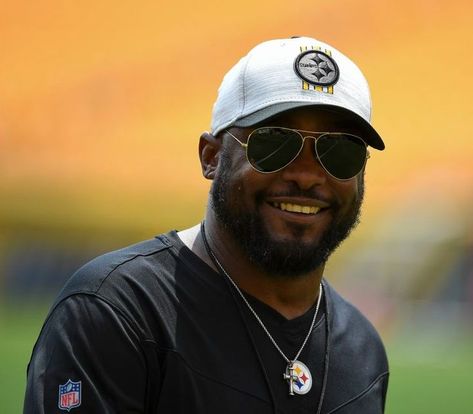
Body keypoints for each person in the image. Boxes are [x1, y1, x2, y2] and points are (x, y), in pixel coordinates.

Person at [24, 36, 389, 413]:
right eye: (275, 143)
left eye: (341, 151)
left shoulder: (362, 350)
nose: (308, 176)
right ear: (211, 156)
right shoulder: (119, 312)